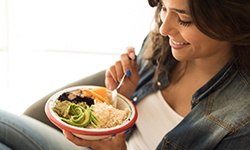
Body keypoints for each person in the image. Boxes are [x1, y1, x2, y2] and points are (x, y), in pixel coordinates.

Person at [1, 0, 250, 149]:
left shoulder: (241, 119)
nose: (164, 28)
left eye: (184, 19)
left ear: (231, 22)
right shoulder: (163, 47)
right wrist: (121, 99)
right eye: (164, 7)